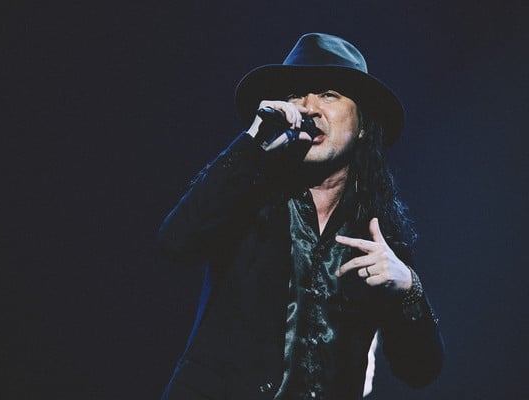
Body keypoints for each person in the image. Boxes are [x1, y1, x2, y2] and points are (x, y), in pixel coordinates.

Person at [159, 33, 444, 400]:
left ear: (362, 125)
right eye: (297, 94)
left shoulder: (378, 230)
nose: (309, 107)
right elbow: (175, 243)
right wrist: (252, 144)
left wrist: (408, 288)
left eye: (328, 94)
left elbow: (420, 371)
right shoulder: (247, 192)